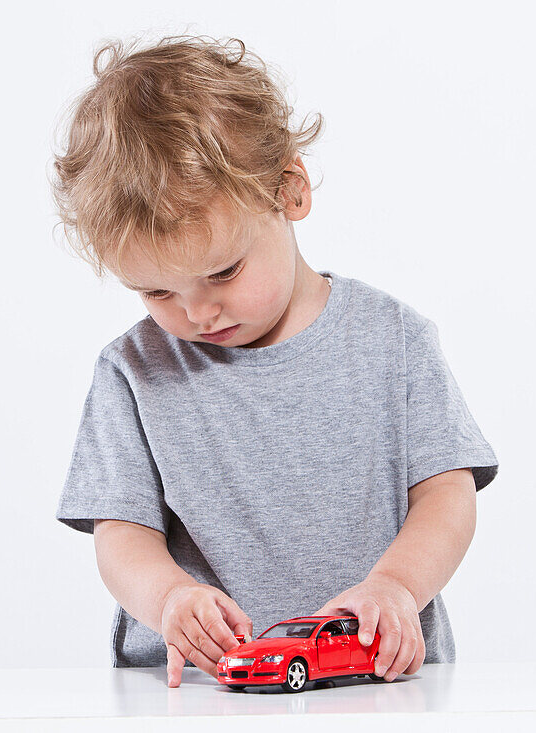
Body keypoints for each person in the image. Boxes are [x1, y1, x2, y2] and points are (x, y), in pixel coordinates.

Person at [50, 34, 499, 688]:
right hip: (199, 693)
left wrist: (396, 585)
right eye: (156, 291)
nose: (196, 312)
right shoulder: (133, 372)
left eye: (222, 271)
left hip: (379, 681)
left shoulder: (394, 341)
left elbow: (447, 493)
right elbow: (121, 534)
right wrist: (169, 597)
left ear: (289, 190)